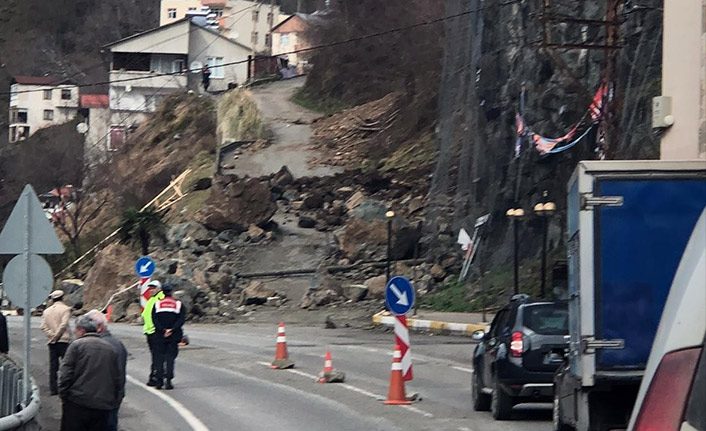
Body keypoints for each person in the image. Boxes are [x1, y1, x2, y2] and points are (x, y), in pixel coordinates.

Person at [58, 315, 123, 431]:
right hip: (103, 405)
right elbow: (118, 378)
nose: (75, 333)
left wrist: (64, 395)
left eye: (76, 331)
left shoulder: (76, 346)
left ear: (82, 331)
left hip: (78, 403)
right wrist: (115, 401)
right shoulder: (110, 348)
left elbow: (65, 374)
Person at [86, 310, 127, 431]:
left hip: (99, 398)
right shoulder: (118, 343)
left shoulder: (97, 345)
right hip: (113, 396)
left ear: (99, 327)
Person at [152, 284, 185, 390]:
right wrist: (172, 329)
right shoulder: (178, 304)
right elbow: (181, 319)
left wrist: (163, 330)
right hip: (174, 335)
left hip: (159, 335)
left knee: (159, 358)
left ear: (162, 292)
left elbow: (154, 319)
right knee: (170, 358)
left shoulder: (157, 304)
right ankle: (169, 381)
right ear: (171, 292)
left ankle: (159, 382)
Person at [40, 290, 72, 395]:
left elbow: (43, 326)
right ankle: (66, 387)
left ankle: (53, 388)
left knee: (53, 366)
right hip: (63, 340)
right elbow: (63, 325)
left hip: (51, 341)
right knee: (67, 365)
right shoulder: (66, 309)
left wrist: (51, 335)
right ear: (63, 297)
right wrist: (57, 336)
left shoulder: (47, 311)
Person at [142, 280, 164, 386]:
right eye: (150, 288)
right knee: (155, 355)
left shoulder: (160, 298)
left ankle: (155, 377)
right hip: (150, 331)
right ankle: (156, 375)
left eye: (153, 288)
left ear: (159, 289)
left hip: (156, 331)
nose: (151, 290)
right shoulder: (152, 299)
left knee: (157, 355)